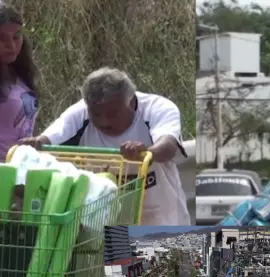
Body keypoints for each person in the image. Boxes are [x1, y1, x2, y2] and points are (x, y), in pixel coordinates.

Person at [20, 67, 191, 226]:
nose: (104, 121)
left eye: (112, 114)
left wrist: (147, 152)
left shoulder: (158, 108)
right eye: (96, 114)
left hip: (161, 218)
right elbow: (54, 134)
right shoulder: (80, 113)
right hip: (105, 224)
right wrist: (37, 143)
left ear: (130, 101)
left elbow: (168, 145)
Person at [0, 3, 39, 277]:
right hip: (1, 180)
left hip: (21, 185)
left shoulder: (19, 73)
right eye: (1, 39)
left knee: (14, 272)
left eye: (16, 37)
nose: (11, 45)